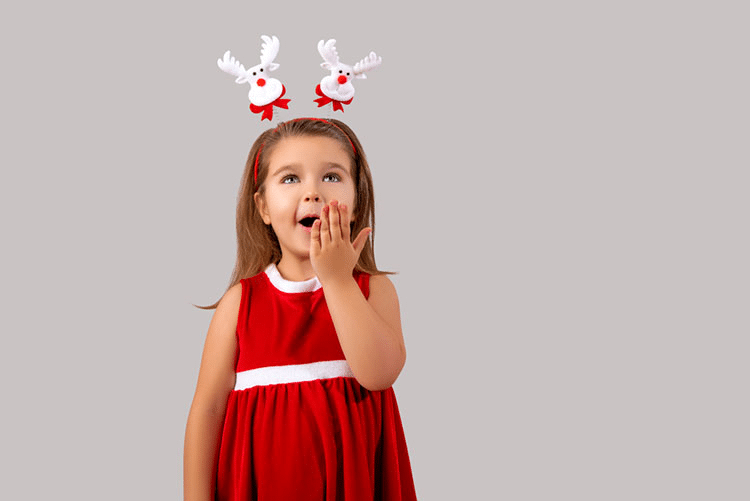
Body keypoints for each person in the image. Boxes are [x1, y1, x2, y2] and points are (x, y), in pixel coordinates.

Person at [183, 118, 417, 500]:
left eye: (331, 177)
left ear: (356, 203)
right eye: (291, 179)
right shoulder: (239, 304)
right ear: (262, 207)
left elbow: (379, 374)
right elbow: (207, 413)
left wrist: (337, 280)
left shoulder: (372, 290)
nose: (312, 193)